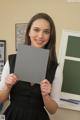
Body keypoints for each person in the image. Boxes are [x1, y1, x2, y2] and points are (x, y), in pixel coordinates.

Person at [0, 12, 63, 120]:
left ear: (50, 36)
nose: (40, 36)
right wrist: (7, 86)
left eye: (46, 32)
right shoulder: (12, 61)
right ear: (29, 31)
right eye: (36, 29)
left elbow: (53, 110)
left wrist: (46, 95)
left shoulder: (55, 69)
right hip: (13, 116)